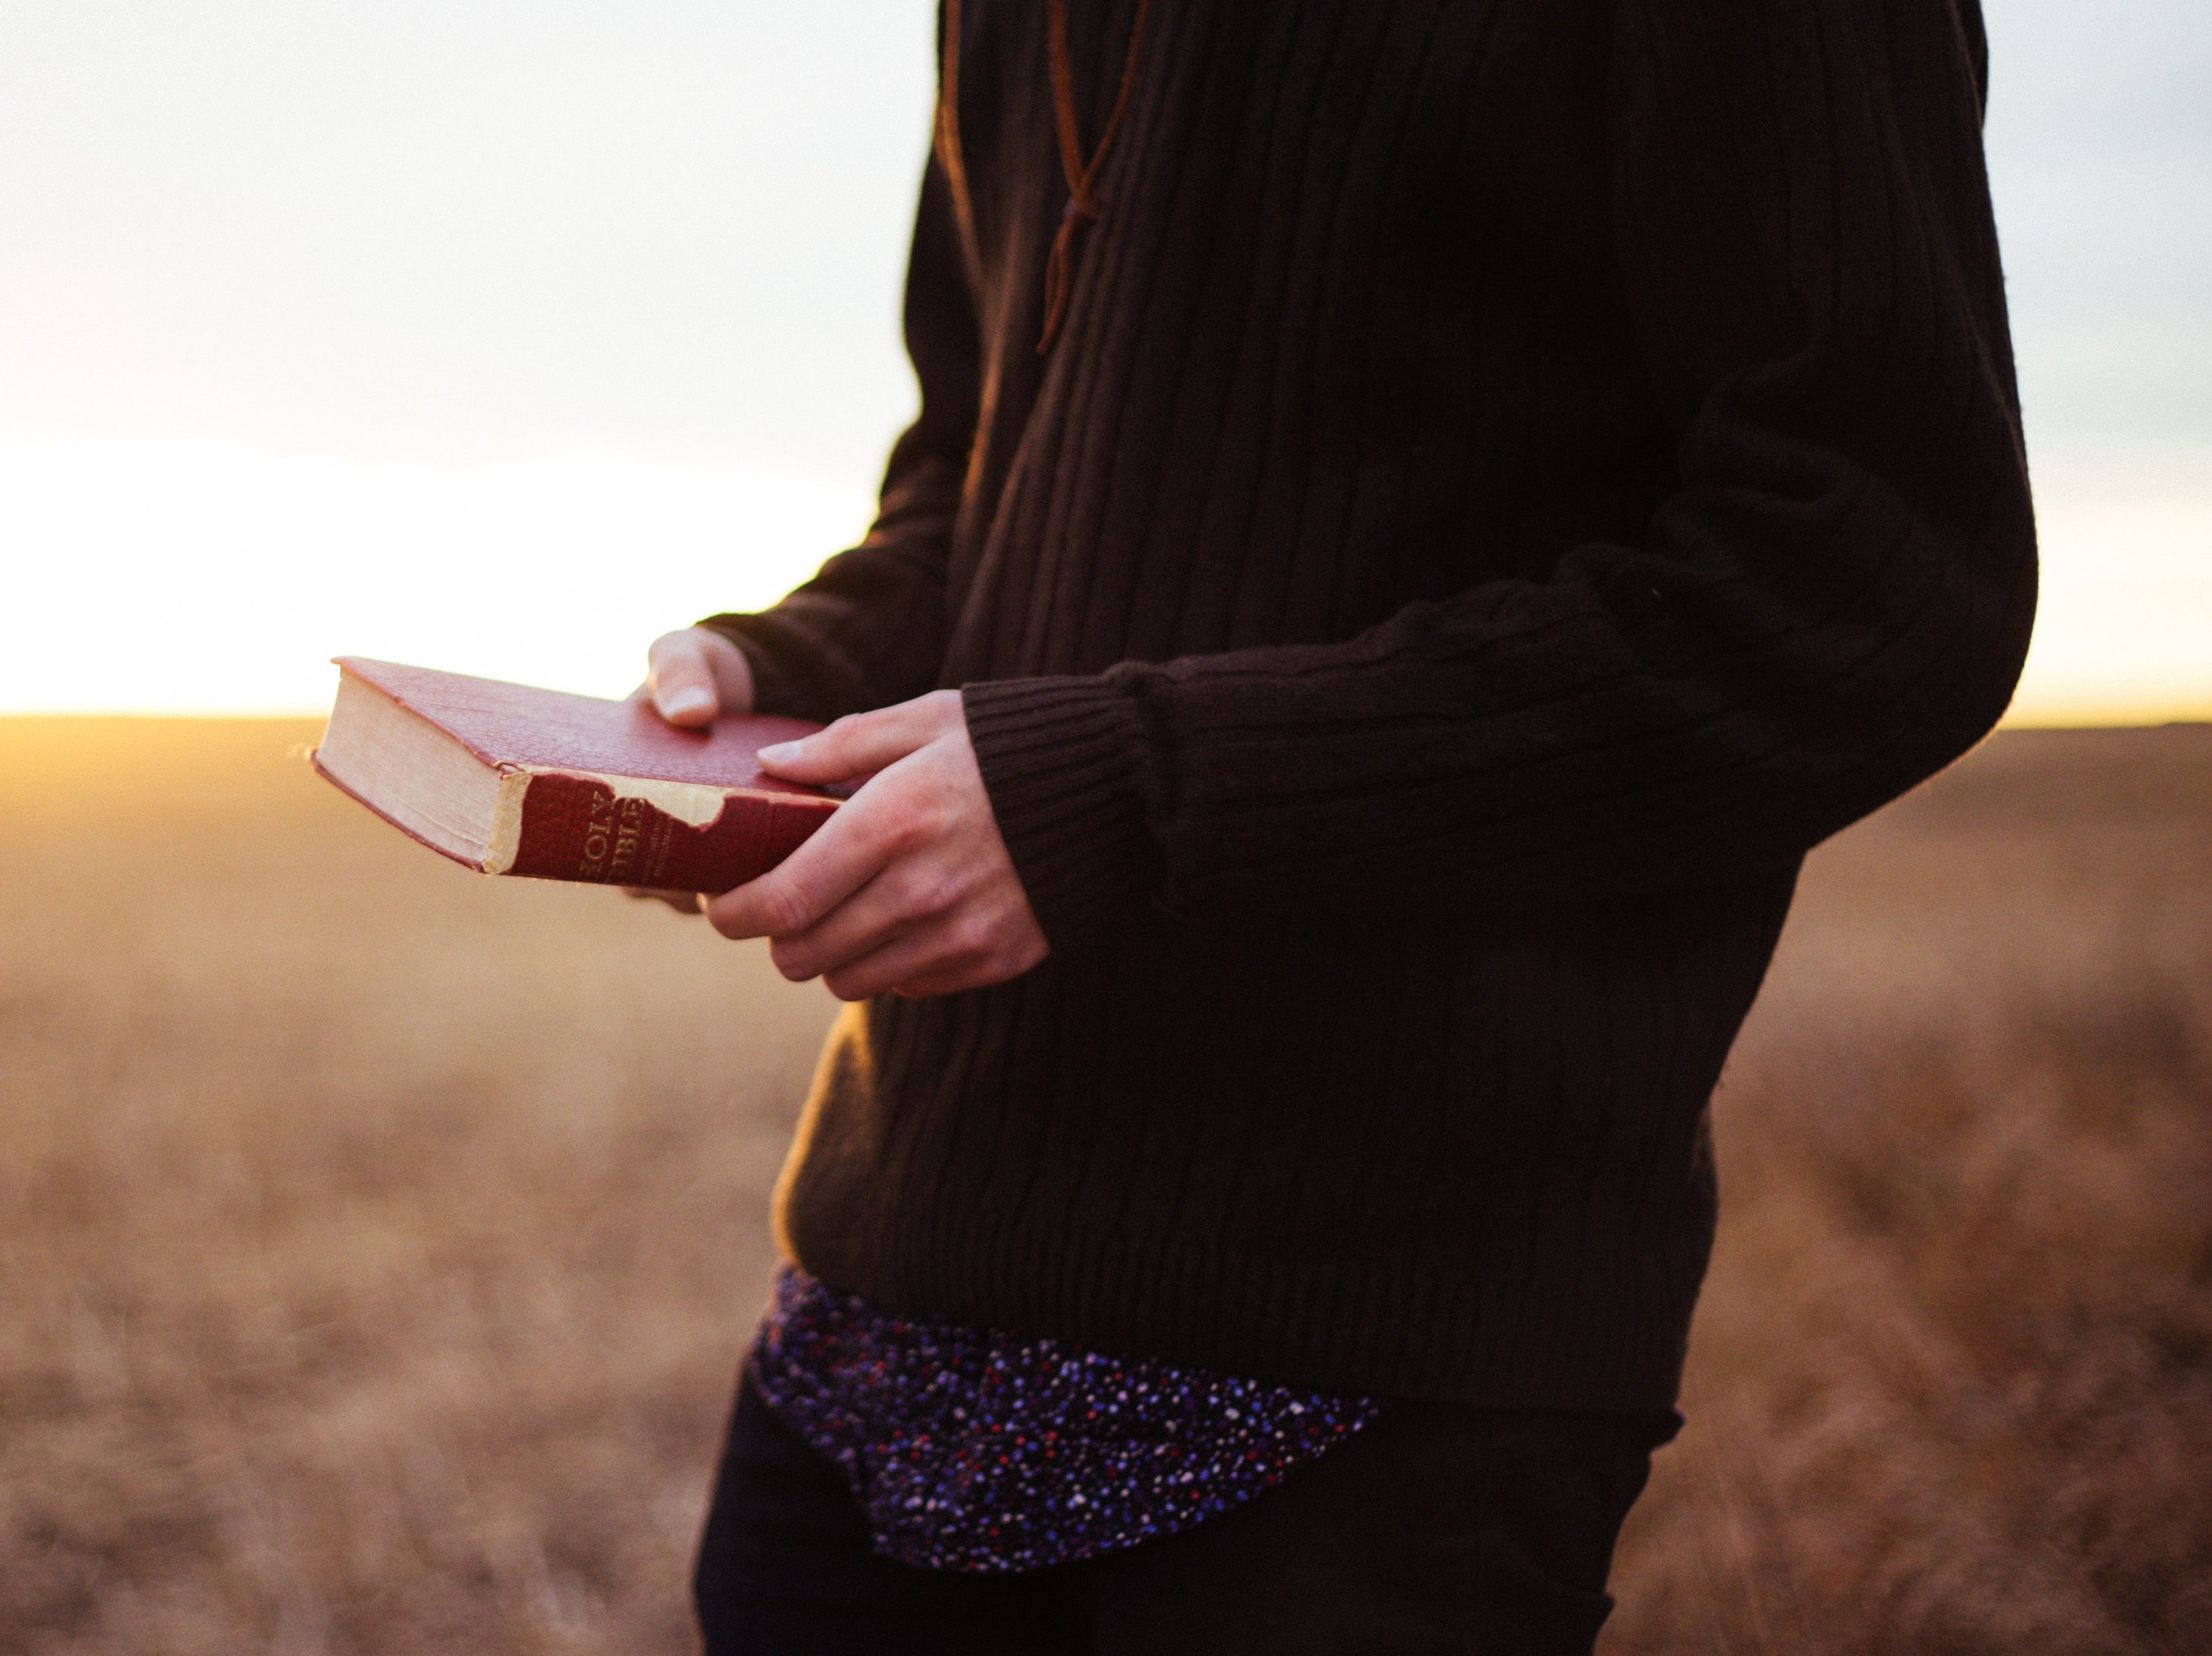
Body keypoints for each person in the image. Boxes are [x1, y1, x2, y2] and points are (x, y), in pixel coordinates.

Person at [633, 0, 2034, 1650]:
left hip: (1369, 1366)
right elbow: (981, 470)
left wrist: (1136, 797)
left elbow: (1873, 579)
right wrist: (792, 670)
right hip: (886, 1316)